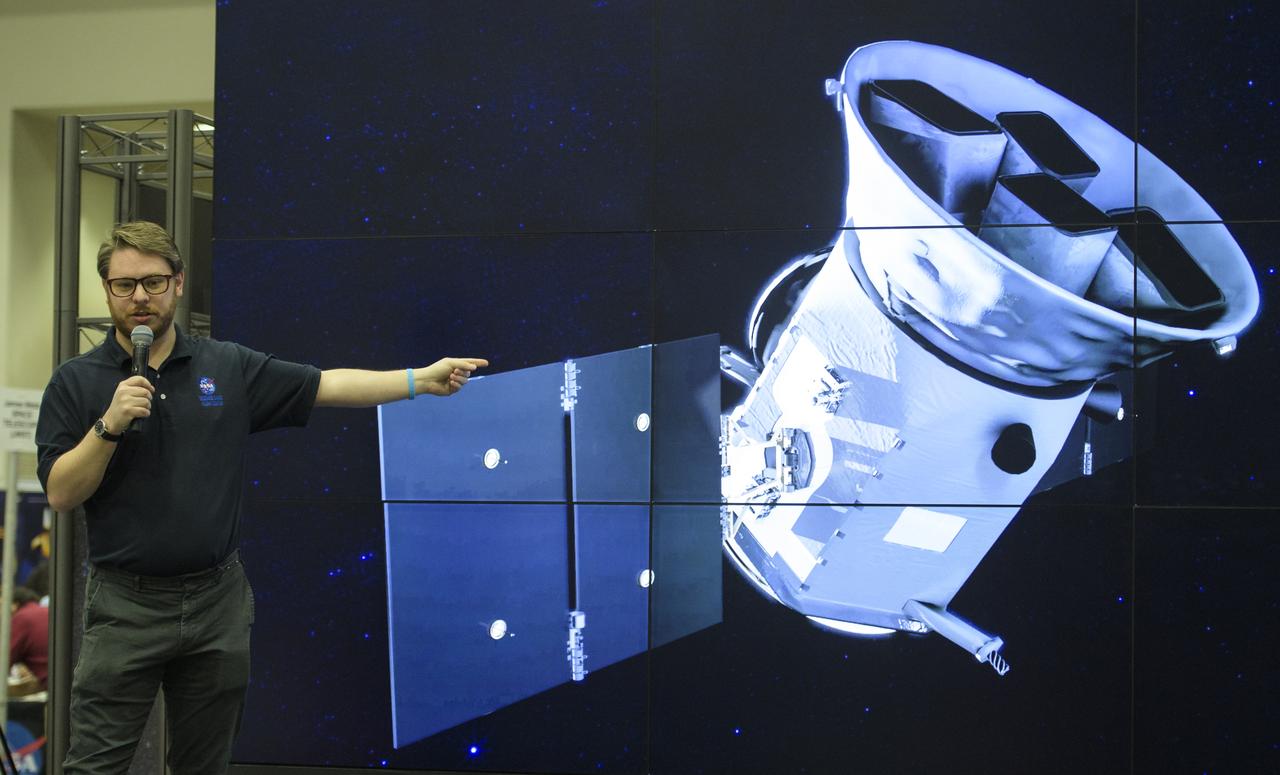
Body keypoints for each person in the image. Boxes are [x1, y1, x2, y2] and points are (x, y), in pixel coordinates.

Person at [34, 221, 487, 774]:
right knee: (95, 765)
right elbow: (60, 493)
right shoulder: (75, 382)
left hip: (215, 602)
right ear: (106, 291)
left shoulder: (226, 366)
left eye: (153, 282)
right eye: (123, 286)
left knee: (205, 765)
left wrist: (420, 380)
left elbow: (327, 385)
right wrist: (109, 423)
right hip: (125, 604)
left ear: (178, 284)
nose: (139, 298)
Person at [9, 586, 49, 690]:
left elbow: (4, 659)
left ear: (14, 605)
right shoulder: (46, 611)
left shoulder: (21, 617)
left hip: (47, 686)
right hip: (60, 682)